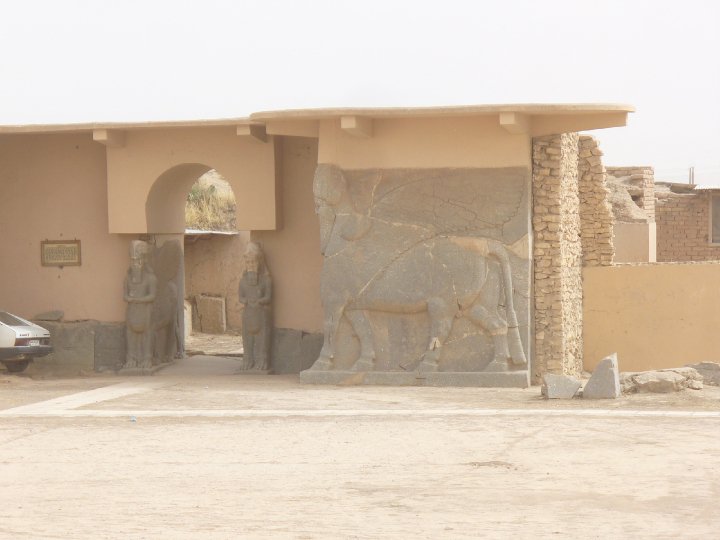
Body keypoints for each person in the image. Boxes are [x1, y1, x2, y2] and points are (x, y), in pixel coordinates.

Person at [238, 242, 272, 370]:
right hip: (248, 315)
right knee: (247, 341)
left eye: (253, 262)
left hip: (261, 315)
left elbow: (268, 297)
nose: (251, 265)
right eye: (248, 262)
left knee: (262, 341)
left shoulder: (266, 280)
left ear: (259, 262)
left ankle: (262, 361)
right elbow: (240, 296)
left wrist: (260, 301)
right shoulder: (243, 281)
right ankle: (248, 360)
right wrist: (245, 301)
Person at [123, 240, 157, 369]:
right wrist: (130, 299)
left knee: (147, 334)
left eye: (138, 260)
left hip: (145, 310)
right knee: (130, 335)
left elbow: (152, 296)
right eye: (132, 260)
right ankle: (131, 358)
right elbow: (124, 295)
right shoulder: (127, 278)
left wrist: (138, 299)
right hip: (132, 310)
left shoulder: (151, 278)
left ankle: (147, 358)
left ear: (144, 260)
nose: (135, 263)